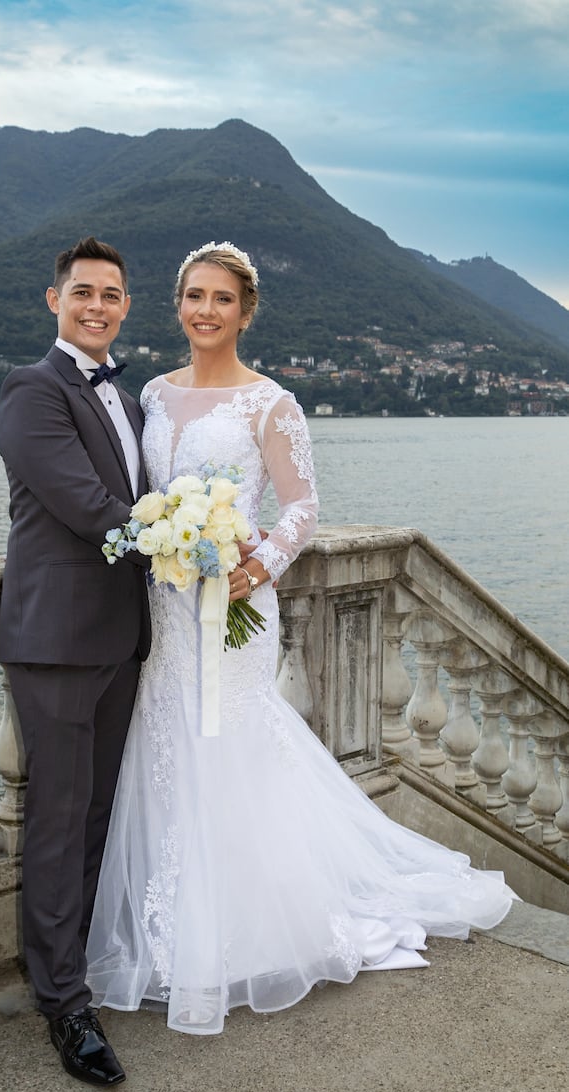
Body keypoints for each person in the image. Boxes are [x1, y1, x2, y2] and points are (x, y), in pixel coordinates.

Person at [85, 241, 516, 1036]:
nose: (205, 311)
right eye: (194, 297)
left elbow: (301, 509)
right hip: (170, 609)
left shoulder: (270, 403)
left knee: (234, 742)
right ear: (177, 304)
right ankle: (176, 923)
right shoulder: (151, 392)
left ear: (245, 312)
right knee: (172, 744)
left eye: (221, 299)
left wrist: (260, 567)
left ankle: (252, 926)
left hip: (237, 604)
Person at [0, 236, 150, 1086]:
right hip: (54, 642)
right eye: (83, 292)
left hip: (121, 640)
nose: (97, 305)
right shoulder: (31, 389)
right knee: (57, 822)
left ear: (127, 306)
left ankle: (81, 963)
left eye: (112, 295)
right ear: (53, 300)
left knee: (94, 815)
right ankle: (62, 1002)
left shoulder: (126, 399)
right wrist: (176, 542)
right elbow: (89, 508)